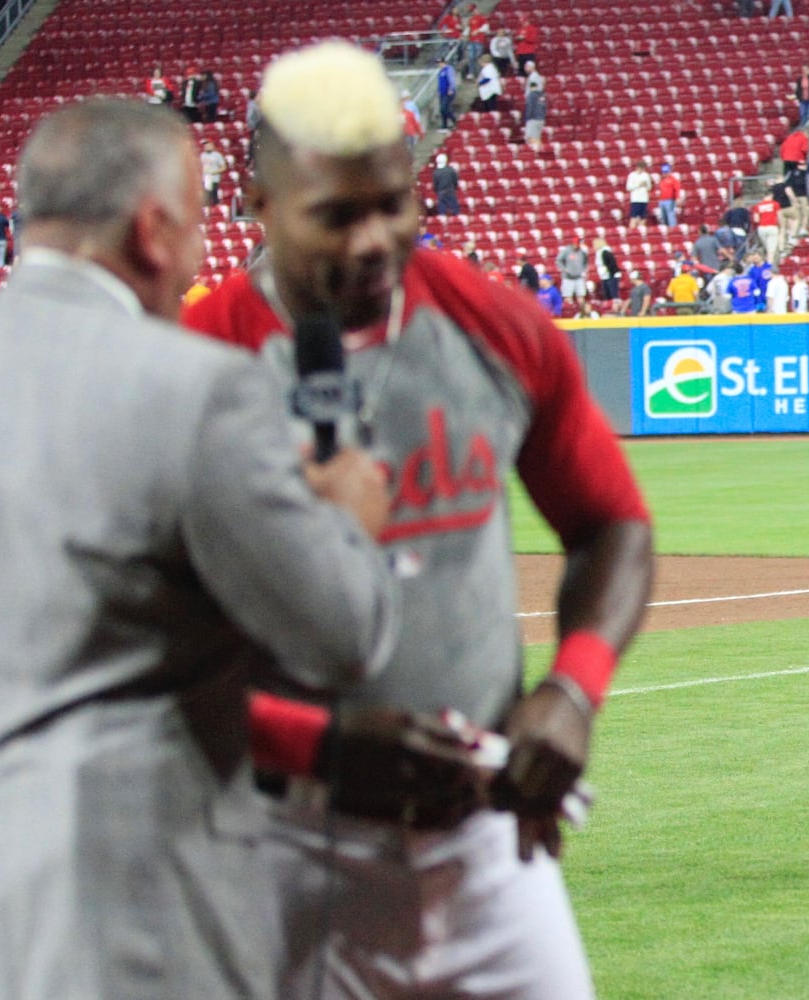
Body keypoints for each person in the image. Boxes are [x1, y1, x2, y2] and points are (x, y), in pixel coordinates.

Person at [0, 98, 398, 1000]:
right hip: (136, 929)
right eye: (201, 224)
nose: (206, 254)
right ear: (154, 229)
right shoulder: (200, 391)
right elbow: (341, 636)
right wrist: (349, 517)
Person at [178, 42, 654, 1000]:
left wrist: (572, 689)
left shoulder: (490, 324)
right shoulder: (186, 370)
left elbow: (613, 526)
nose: (372, 241)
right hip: (265, 850)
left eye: (393, 203)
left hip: (481, 839)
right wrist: (318, 744)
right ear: (258, 208)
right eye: (334, 216)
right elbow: (134, 659)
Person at [522, 79, 547, 149]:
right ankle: (539, 152)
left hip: (533, 119)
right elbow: (544, 107)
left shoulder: (531, 95)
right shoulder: (542, 95)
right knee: (537, 137)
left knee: (532, 138)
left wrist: (526, 119)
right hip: (541, 119)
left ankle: (537, 153)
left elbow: (529, 107)